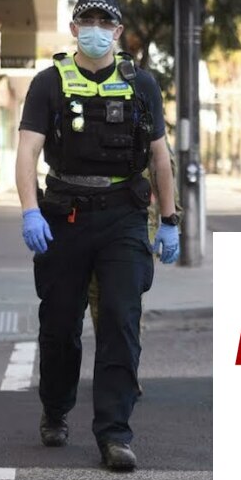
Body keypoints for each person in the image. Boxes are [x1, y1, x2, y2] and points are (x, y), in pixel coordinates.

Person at [15, 0, 179, 472]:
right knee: (60, 324)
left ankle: (115, 433)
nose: (96, 30)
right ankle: (55, 408)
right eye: (87, 21)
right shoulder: (48, 83)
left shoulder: (141, 84)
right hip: (64, 215)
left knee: (121, 323)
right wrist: (30, 211)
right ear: (73, 29)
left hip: (123, 215)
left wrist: (170, 221)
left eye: (105, 23)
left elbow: (160, 157)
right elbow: (27, 151)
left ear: (118, 32)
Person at [87, 138, 182, 397]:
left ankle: (125, 372)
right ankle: (112, 367)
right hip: (95, 216)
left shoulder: (146, 121)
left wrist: (171, 219)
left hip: (138, 220)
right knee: (98, 300)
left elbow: (165, 167)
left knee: (125, 303)